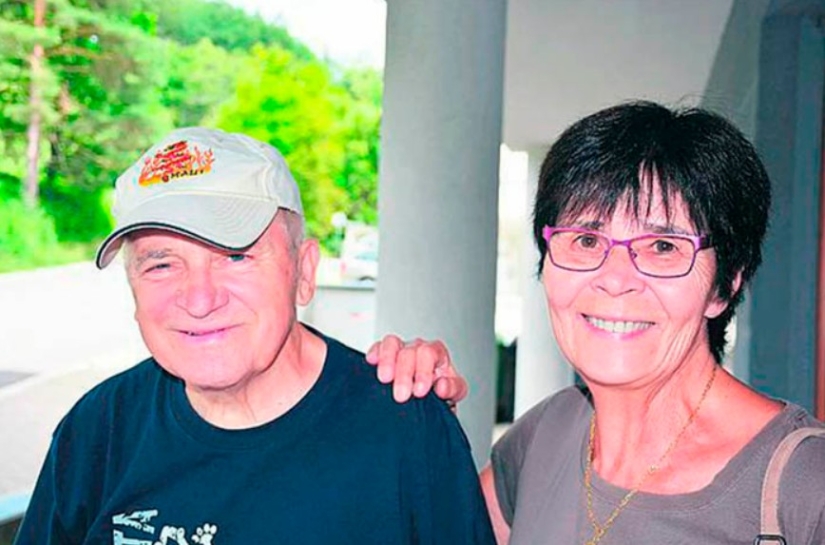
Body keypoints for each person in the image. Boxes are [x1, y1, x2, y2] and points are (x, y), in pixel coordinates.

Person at [367, 101, 825, 544]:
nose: (615, 280)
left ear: (724, 285)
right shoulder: (547, 432)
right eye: (586, 239)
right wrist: (417, 418)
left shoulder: (804, 486)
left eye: (663, 247)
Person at [14, 128, 495, 544]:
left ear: (303, 272)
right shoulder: (99, 428)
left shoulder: (405, 429)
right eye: (161, 264)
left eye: (235, 256)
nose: (199, 300)